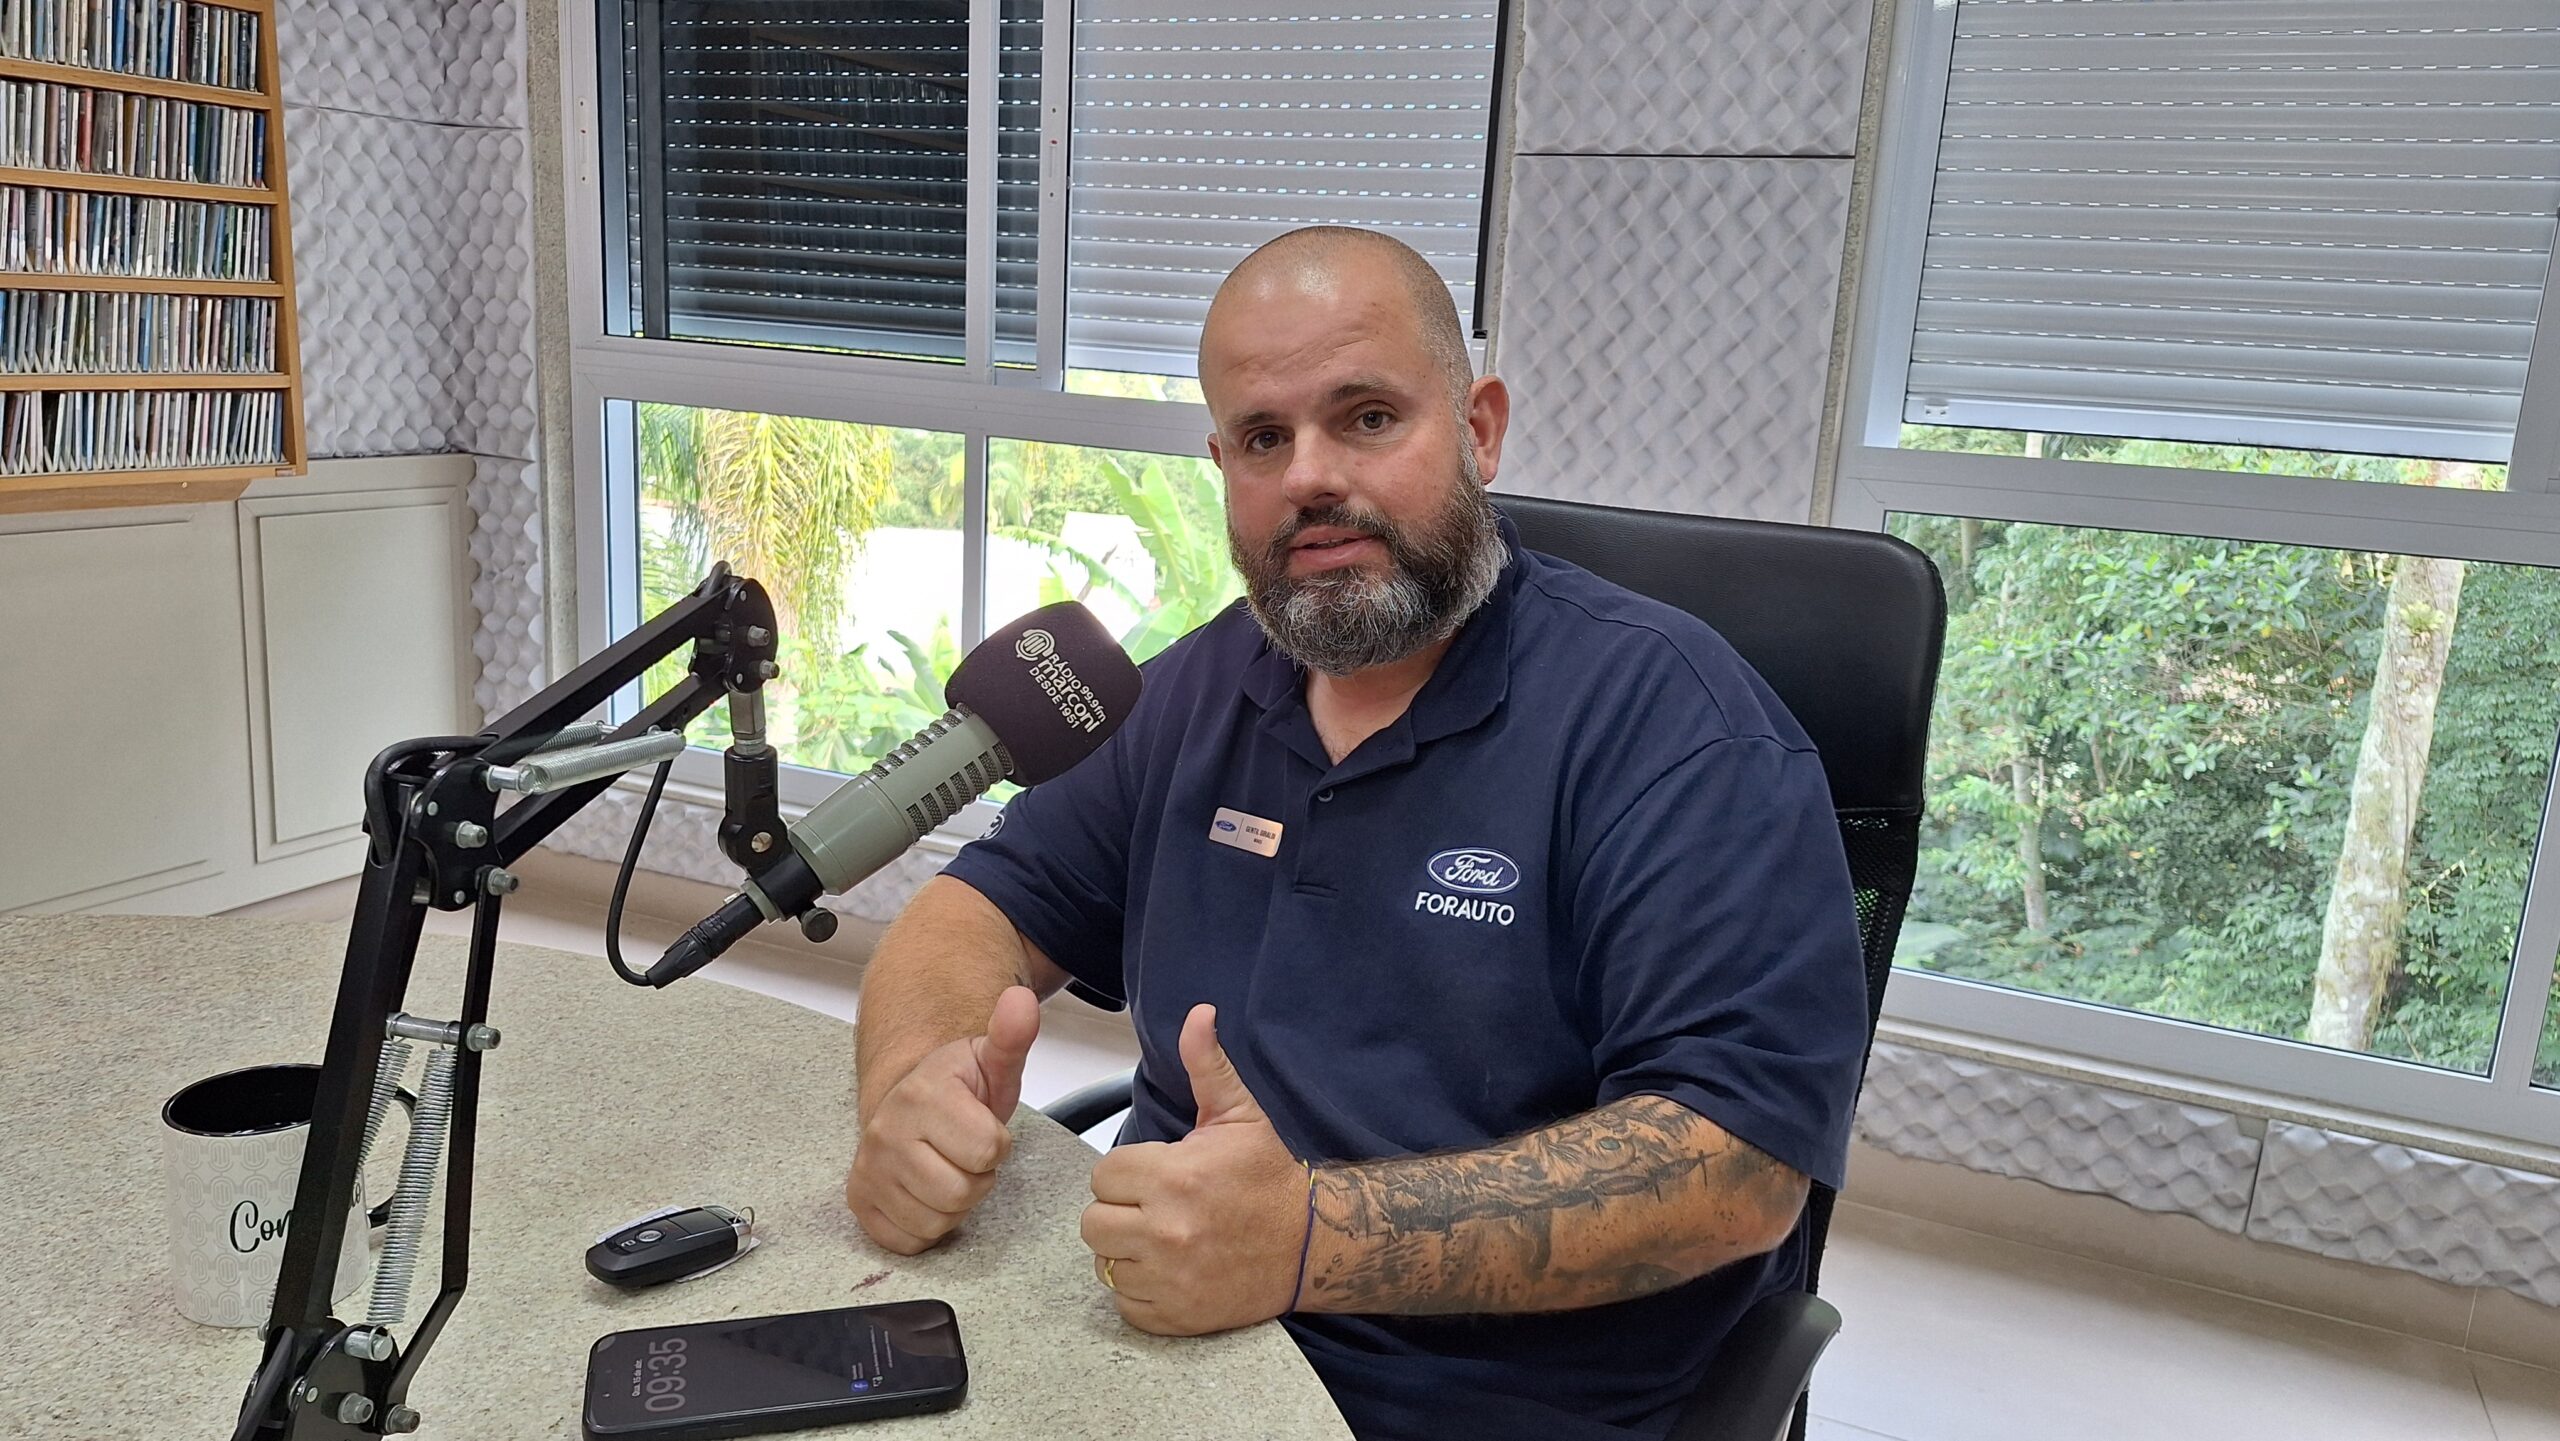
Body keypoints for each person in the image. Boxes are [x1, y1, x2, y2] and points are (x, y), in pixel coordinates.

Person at [843, 225, 1869, 1440]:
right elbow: (978, 909)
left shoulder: (1676, 730)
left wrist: (1309, 1238)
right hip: (1149, 1340)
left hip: (1481, 1403)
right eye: (1262, 439)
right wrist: (915, 1087)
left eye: (1367, 417)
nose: (1310, 478)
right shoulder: (1196, 687)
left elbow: (1735, 1167)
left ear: (1479, 429)